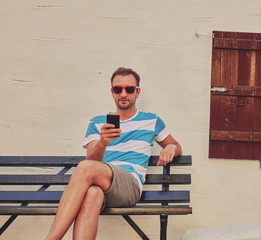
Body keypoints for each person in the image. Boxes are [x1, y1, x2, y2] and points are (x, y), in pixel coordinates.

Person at [46, 67, 182, 240]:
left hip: (129, 185)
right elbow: (92, 161)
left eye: (129, 89)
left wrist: (171, 147)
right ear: (112, 92)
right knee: (92, 193)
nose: (123, 94)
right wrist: (103, 142)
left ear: (137, 92)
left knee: (86, 168)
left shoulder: (152, 120)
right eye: (118, 89)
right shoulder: (97, 123)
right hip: (102, 184)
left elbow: (176, 145)